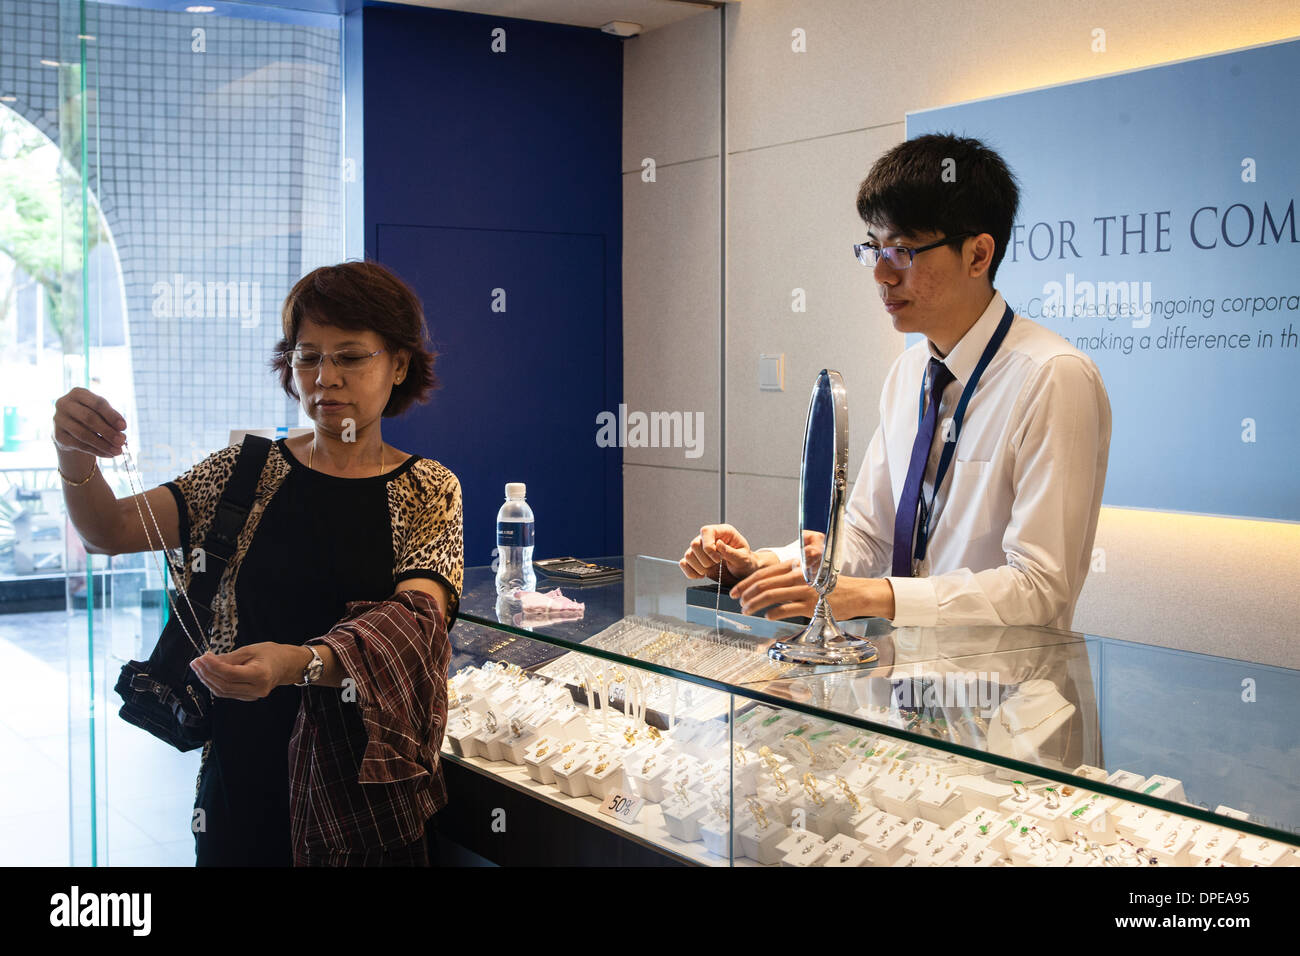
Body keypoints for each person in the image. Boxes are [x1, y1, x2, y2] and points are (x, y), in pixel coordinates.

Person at [53, 260, 464, 866]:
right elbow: (110, 529)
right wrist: (72, 453)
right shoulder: (247, 471)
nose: (325, 378)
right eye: (308, 357)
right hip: (243, 775)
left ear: (398, 364)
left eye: (350, 357)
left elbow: (416, 625)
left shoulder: (428, 488)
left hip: (365, 791)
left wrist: (300, 663)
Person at [680, 134, 1111, 633]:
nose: (882, 274)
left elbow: (1039, 586)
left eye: (903, 251)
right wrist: (764, 566)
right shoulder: (909, 373)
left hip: (1008, 695)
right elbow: (868, 534)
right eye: (874, 248)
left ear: (978, 255)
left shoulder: (1053, 376)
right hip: (904, 688)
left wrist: (875, 595)